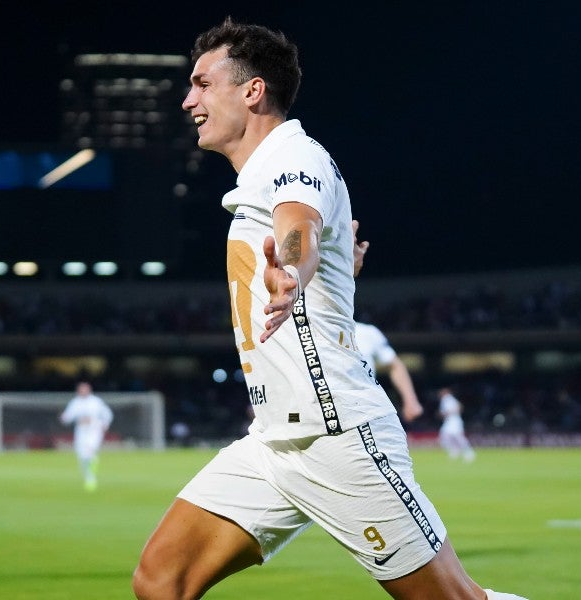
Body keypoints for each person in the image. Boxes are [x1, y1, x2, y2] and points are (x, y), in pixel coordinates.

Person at [132, 17, 527, 600]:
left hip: (336, 434)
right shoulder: (261, 176)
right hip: (272, 443)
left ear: (252, 90)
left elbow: (300, 228)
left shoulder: (296, 158)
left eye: (201, 83)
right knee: (161, 581)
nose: (188, 100)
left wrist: (292, 270)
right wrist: (328, 272)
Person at [351, 221, 424, 425]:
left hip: (365, 415)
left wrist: (410, 400)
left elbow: (395, 365)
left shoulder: (367, 332)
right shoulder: (308, 326)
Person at [59, 381, 113, 492]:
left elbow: (107, 414)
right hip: (81, 432)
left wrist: (105, 424)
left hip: (94, 430)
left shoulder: (96, 402)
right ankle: (88, 476)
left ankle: (91, 476)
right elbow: (68, 416)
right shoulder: (75, 402)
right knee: (82, 456)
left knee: (90, 451)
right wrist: (64, 418)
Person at [437, 387, 476, 462]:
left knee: (458, 437)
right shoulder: (446, 399)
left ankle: (469, 452)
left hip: (454, 421)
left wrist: (447, 413)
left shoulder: (448, 399)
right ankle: (455, 451)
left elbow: (459, 407)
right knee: (445, 436)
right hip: (449, 421)